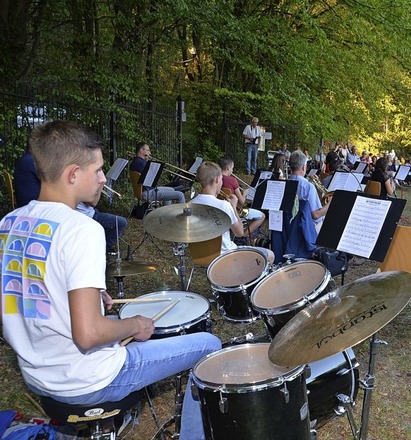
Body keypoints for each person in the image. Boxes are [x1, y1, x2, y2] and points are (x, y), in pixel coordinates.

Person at [0, 121, 220, 440]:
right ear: (73, 174)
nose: (105, 178)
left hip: (37, 377)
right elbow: (89, 334)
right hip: (88, 381)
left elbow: (24, 298)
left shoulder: (9, 223)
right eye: (99, 170)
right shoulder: (81, 229)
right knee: (209, 345)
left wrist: (87, 298)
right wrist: (136, 326)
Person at [13, 147, 127, 251]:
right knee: (120, 222)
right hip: (82, 216)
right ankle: (103, 250)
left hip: (37, 214)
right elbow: (93, 202)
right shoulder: (32, 163)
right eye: (97, 170)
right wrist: (100, 184)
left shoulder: (25, 161)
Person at [191, 161, 273, 262]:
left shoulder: (190, 204)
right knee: (270, 255)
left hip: (200, 257)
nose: (221, 182)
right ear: (216, 179)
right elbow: (239, 233)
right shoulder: (223, 205)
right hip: (225, 256)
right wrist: (233, 207)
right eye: (221, 179)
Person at [219, 158, 266, 236]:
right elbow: (242, 201)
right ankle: (243, 235)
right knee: (262, 216)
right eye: (232, 168)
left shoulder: (216, 179)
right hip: (236, 211)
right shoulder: (232, 180)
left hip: (222, 209)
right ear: (227, 168)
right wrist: (244, 193)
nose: (232, 171)